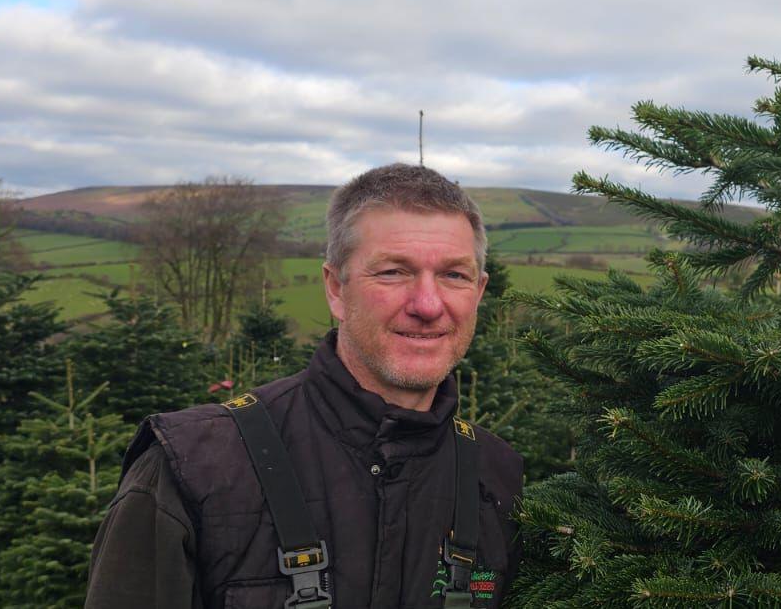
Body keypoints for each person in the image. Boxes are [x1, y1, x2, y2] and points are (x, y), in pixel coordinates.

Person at [86, 164, 522, 608]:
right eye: (393, 271)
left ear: (479, 292)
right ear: (335, 289)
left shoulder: (498, 478)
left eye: (454, 275)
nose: (428, 304)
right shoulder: (191, 468)